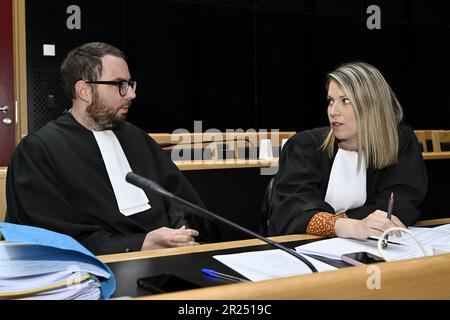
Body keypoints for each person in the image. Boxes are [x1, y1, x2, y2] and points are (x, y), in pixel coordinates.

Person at [6, 42, 220, 255]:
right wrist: (138, 244)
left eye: (130, 84)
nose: (131, 95)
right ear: (84, 91)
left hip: (169, 260)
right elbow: (48, 238)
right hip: (91, 274)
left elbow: (182, 203)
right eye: (120, 85)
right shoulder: (38, 150)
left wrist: (181, 234)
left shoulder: (138, 138)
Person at [268, 62, 427, 239]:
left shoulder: (401, 142)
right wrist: (353, 226)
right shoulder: (303, 147)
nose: (333, 111)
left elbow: (402, 205)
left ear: (372, 105)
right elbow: (295, 215)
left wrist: (349, 223)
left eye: (345, 101)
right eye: (330, 101)